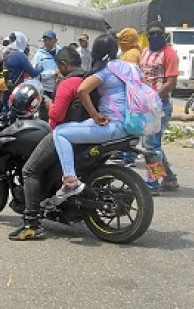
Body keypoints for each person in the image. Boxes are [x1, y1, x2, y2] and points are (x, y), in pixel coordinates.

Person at [9, 47, 88, 241]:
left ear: (63, 65)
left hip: (64, 134)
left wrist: (48, 105)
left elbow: (56, 115)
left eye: (59, 66)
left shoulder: (68, 83)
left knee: (29, 170)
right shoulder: (87, 79)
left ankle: (31, 223)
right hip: (86, 133)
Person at [51, 35, 137, 203]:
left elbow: (82, 90)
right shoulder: (131, 68)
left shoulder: (106, 71)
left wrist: (95, 115)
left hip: (113, 125)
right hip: (132, 124)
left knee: (61, 133)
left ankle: (70, 181)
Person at [139, 22, 179, 194]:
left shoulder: (169, 54)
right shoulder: (145, 51)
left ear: (164, 35)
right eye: (151, 34)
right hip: (144, 105)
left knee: (151, 146)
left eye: (158, 34)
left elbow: (171, 82)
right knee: (152, 144)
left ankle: (152, 183)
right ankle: (169, 178)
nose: (154, 37)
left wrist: (154, 98)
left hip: (159, 105)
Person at [32, 30, 61, 99]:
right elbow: (36, 75)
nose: (47, 42)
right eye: (45, 40)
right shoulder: (39, 54)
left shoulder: (61, 52)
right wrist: (53, 73)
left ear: (55, 40)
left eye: (49, 40)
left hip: (58, 89)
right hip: (44, 89)